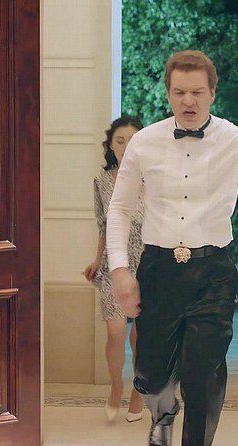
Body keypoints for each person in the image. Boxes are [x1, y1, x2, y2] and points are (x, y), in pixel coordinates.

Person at [105, 50, 238, 446]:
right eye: (180, 92)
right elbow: (120, 209)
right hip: (158, 270)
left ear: (212, 93)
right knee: (150, 376)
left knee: (202, 376)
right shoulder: (144, 142)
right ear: (168, 93)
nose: (188, 101)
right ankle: (162, 411)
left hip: (213, 273)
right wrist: (120, 271)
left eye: (197, 92)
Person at [82, 115, 146, 424]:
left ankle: (137, 390)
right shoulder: (102, 181)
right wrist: (97, 260)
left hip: (147, 263)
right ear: (110, 146)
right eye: (120, 141)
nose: (126, 146)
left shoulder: (154, 179)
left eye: (132, 140)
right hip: (112, 264)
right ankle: (115, 386)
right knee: (116, 333)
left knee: (141, 336)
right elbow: (103, 226)